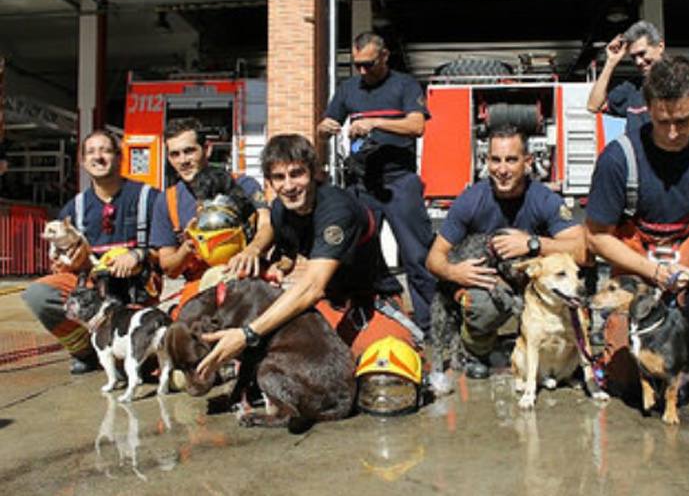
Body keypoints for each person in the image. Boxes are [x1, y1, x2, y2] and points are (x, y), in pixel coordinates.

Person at [196, 134, 419, 382]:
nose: (289, 186)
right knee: (293, 373)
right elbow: (283, 247)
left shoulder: (337, 208)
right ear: (269, 182)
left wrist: (247, 334)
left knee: (386, 377)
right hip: (326, 305)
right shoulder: (282, 209)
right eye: (279, 178)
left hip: (370, 304)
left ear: (314, 173)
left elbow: (312, 287)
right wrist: (259, 253)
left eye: (297, 173)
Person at [425, 125, 586, 379]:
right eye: (495, 160)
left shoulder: (544, 199)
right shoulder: (470, 200)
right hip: (490, 284)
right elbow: (434, 258)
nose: (502, 169)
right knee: (483, 306)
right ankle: (476, 350)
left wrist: (533, 244)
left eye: (511, 160)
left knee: (569, 287)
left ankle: (547, 349)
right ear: (486, 161)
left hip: (533, 283)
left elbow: (582, 250)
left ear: (528, 162)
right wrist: (455, 271)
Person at [585, 56, 689, 396]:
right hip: (637, 261)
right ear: (647, 109)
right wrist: (654, 272)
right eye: (663, 121)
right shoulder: (619, 158)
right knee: (628, 381)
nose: (673, 132)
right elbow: (597, 237)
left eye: (684, 120)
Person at [317, 31, 436, 332]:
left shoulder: (405, 85)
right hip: (362, 183)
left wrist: (375, 122)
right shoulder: (348, 89)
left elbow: (417, 125)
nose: (362, 71)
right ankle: (369, 317)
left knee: (417, 256)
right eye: (357, 65)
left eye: (369, 64)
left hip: (400, 183)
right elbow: (324, 124)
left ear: (384, 57)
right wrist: (324, 127)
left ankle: (431, 326)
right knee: (356, 254)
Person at [22, 130, 159, 374]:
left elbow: (167, 250)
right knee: (37, 294)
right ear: (83, 161)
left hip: (136, 292)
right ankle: (85, 352)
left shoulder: (148, 198)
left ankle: (120, 351)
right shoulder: (73, 208)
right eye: (91, 152)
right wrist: (72, 263)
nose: (98, 157)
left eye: (106, 150)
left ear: (119, 158)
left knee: (145, 366)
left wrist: (138, 255)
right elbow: (59, 264)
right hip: (93, 291)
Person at [149, 118, 273, 317]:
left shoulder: (243, 184)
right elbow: (169, 268)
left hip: (247, 279)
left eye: (189, 151)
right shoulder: (167, 200)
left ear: (207, 149)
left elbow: (267, 225)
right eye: (175, 154)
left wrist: (252, 250)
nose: (183, 160)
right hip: (199, 290)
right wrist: (188, 246)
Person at [587, 20, 665, 132]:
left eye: (642, 54)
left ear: (660, 46)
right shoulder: (632, 89)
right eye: (633, 57)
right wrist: (610, 62)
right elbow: (593, 106)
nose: (638, 61)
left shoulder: (682, 81)